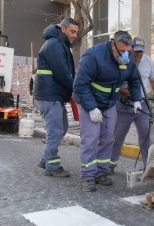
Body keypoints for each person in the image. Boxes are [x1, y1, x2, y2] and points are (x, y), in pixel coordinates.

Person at [73, 30, 143, 192]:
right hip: (89, 100)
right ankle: (88, 176)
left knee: (108, 138)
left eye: (128, 51)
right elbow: (80, 85)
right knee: (90, 139)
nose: (126, 55)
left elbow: (134, 80)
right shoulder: (93, 56)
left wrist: (136, 100)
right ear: (113, 45)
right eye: (122, 51)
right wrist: (92, 108)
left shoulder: (128, 58)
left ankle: (101, 172)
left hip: (110, 102)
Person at [110, 35, 154, 172]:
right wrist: (128, 93)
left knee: (146, 135)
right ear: (130, 49)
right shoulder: (122, 60)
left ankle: (149, 165)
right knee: (118, 136)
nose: (138, 54)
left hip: (142, 104)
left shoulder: (148, 61)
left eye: (141, 51)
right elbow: (115, 83)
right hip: (124, 105)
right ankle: (111, 163)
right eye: (136, 51)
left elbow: (153, 79)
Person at [33, 17, 79, 177]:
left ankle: (46, 159)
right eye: (72, 31)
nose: (74, 35)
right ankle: (52, 164)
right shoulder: (55, 44)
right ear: (62, 29)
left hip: (52, 95)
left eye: (76, 32)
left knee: (61, 128)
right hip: (50, 95)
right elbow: (62, 73)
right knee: (56, 130)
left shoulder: (58, 44)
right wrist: (76, 88)